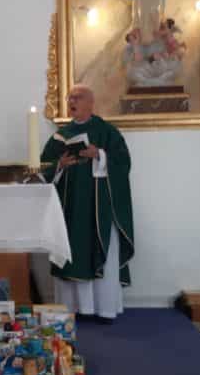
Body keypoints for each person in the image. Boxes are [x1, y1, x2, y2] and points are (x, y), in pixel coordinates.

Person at [40, 85, 134, 320]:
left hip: (99, 208)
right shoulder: (60, 135)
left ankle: (103, 308)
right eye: (70, 97)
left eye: (78, 97)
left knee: (101, 250)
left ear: (91, 103)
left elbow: (123, 164)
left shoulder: (106, 132)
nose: (72, 101)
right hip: (70, 208)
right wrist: (59, 165)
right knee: (71, 252)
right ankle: (74, 308)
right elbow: (43, 168)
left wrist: (99, 155)